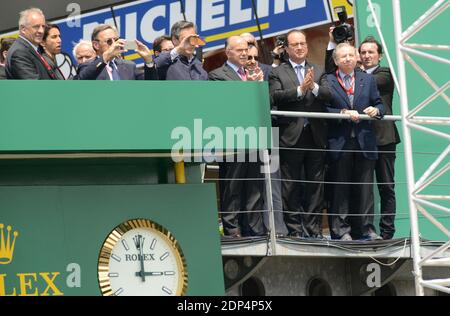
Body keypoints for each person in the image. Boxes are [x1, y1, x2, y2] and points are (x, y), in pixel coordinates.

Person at [269, 30, 330, 238]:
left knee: (315, 187)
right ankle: (294, 230)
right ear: (286, 48)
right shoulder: (277, 72)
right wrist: (298, 90)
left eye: (302, 43)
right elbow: (275, 96)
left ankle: (313, 230)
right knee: (291, 186)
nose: (300, 47)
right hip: (290, 136)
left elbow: (327, 94)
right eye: (294, 44)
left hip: (315, 135)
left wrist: (311, 86)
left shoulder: (319, 70)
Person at [321, 43, 385, 241]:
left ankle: (366, 229)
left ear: (356, 57)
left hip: (364, 141)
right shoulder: (328, 80)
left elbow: (380, 103)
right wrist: (341, 113)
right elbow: (322, 109)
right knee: (341, 188)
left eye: (350, 55)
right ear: (336, 61)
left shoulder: (368, 79)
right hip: (340, 141)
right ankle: (342, 231)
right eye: (343, 56)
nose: (348, 59)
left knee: (365, 189)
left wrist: (377, 111)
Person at [209, 36, 266, 237]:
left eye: (246, 49)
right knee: (232, 184)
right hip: (232, 137)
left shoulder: (254, 72)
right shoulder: (217, 75)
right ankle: (232, 227)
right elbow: (223, 105)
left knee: (254, 185)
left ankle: (252, 226)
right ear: (228, 52)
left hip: (255, 135)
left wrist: (259, 87)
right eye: (239, 50)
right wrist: (247, 88)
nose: (244, 53)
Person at [359, 36, 400, 240]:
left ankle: (386, 232)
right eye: (363, 52)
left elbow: (367, 83)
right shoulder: (355, 75)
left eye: (371, 52)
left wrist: (351, 74)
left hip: (384, 138)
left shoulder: (384, 73)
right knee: (364, 187)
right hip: (361, 138)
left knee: (386, 186)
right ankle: (365, 229)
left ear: (379, 55)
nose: (366, 56)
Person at [77, 24, 156, 80]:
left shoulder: (129, 66)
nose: (115, 44)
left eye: (116, 40)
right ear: (96, 45)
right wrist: (106, 57)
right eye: (109, 41)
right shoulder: (87, 66)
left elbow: (151, 88)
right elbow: (82, 80)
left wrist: (149, 61)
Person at [6, 8, 56, 79]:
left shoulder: (32, 49)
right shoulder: (19, 52)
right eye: (36, 27)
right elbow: (33, 87)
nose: (41, 31)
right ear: (23, 29)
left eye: (43, 26)